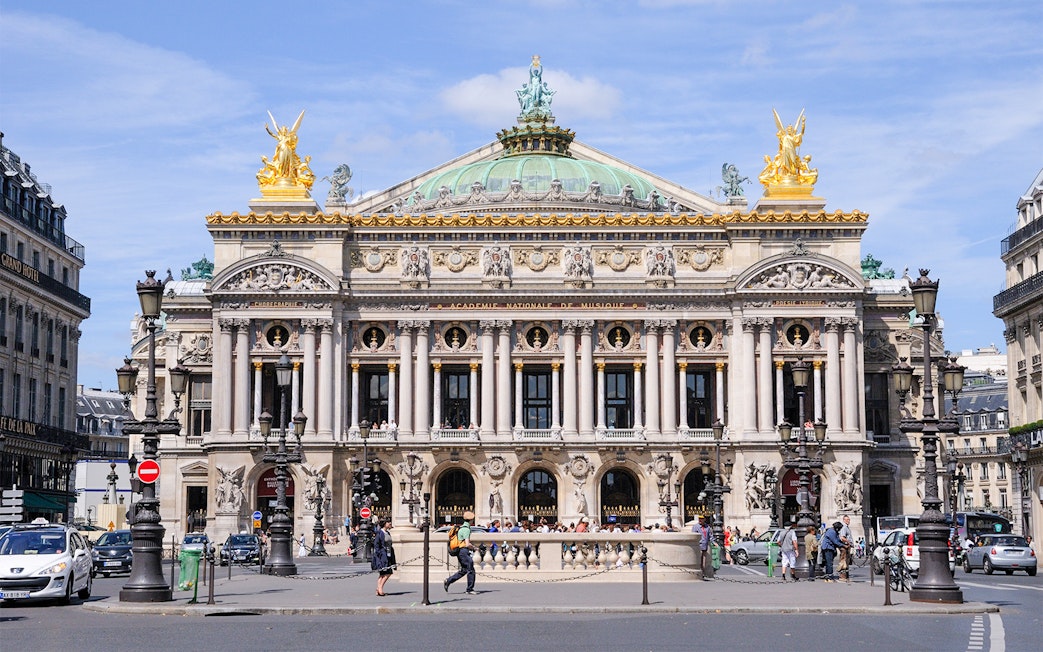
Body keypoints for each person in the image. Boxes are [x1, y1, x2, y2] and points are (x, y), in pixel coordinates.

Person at [444, 510, 478, 595]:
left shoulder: (461, 528)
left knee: (464, 570)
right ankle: (469, 589)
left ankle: (448, 581)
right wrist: (474, 548)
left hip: (460, 551)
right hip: (463, 551)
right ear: (471, 520)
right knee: (471, 569)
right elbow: (467, 544)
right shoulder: (466, 529)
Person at [371, 518, 395, 596]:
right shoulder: (380, 533)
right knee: (387, 572)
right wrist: (380, 554)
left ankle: (378, 589)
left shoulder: (387, 532)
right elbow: (376, 545)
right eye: (389, 522)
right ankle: (380, 589)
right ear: (385, 524)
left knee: (383, 573)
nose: (390, 523)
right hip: (382, 556)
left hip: (388, 554)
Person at [838, 515, 854, 582]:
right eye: (846, 519)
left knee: (846, 562)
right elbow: (842, 538)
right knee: (843, 561)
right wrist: (849, 542)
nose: (848, 521)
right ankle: (842, 576)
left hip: (847, 547)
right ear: (843, 520)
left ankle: (846, 576)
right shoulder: (844, 527)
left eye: (849, 519)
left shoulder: (847, 527)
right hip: (845, 547)